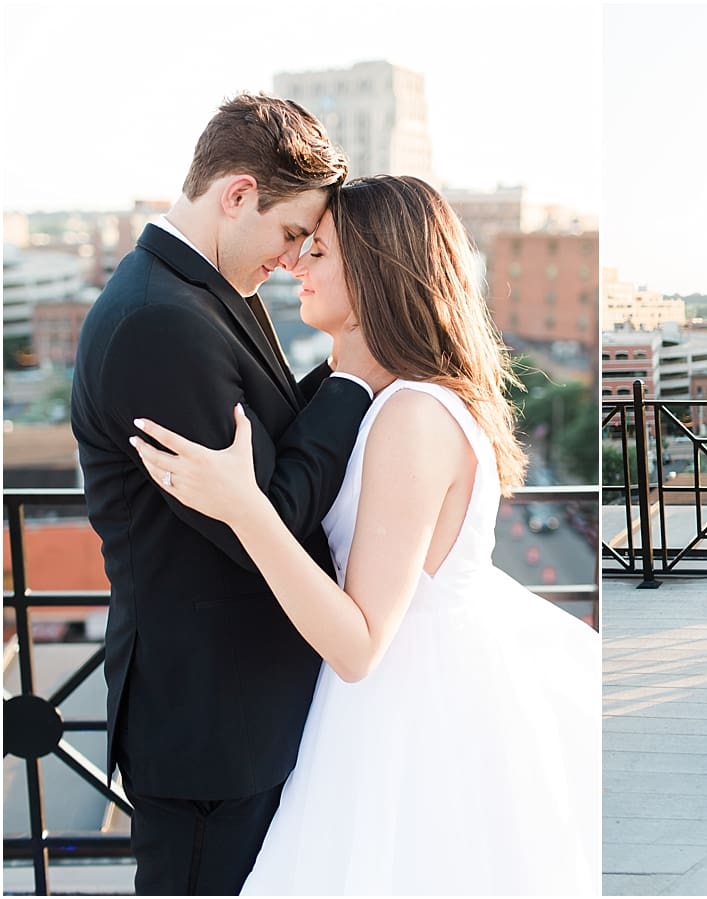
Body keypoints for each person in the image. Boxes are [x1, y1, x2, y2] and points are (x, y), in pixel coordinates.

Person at [128, 175, 600, 895]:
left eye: (317, 250)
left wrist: (244, 507)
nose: (296, 265)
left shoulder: (412, 414)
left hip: (401, 724)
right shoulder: (391, 395)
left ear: (379, 267)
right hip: (388, 710)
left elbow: (359, 644)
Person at [70, 93, 391, 895]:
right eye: (290, 234)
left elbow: (269, 433)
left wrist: (353, 366)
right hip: (208, 730)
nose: (290, 261)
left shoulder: (203, 290)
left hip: (240, 713)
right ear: (237, 193)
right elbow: (265, 518)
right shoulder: (158, 321)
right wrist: (352, 378)